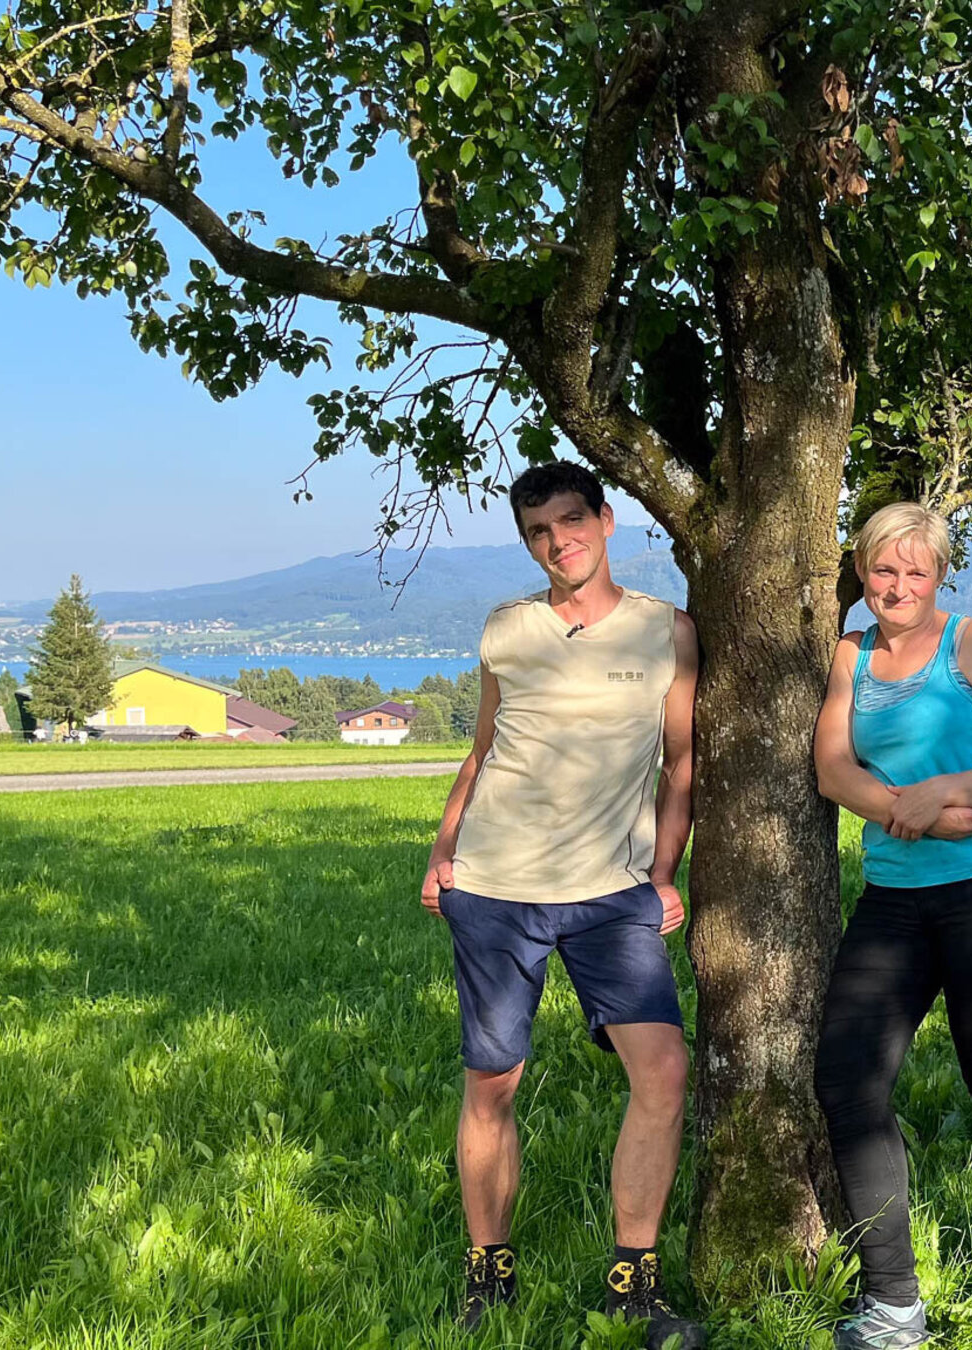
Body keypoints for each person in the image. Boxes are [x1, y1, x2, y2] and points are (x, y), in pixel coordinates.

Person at [420, 460, 706, 1348]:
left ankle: (633, 1282)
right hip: (497, 886)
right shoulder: (507, 629)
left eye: (572, 521)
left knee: (661, 1074)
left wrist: (663, 873)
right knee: (492, 1082)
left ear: (606, 521)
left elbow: (681, 766)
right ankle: (487, 1276)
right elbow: (481, 750)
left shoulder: (667, 632)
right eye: (539, 531)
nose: (559, 542)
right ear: (527, 541)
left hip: (611, 896)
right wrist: (442, 852)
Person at [812, 501, 972, 1349]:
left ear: (940, 575)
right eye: (884, 569)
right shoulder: (849, 654)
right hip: (894, 900)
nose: (899, 585)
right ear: (861, 568)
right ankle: (893, 1304)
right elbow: (832, 769)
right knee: (847, 1080)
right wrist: (904, 808)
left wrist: (942, 795)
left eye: (916, 571)